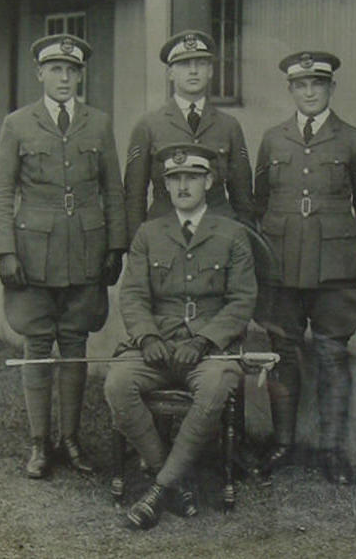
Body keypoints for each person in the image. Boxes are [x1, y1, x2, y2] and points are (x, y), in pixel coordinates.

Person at [0, 34, 127, 479]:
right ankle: (38, 443)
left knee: (75, 345)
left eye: (72, 71)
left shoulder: (99, 123)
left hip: (86, 251)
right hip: (32, 254)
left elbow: (113, 189)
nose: (64, 78)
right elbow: (1, 192)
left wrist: (115, 245)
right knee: (36, 345)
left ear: (80, 75)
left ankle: (70, 439)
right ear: (41, 74)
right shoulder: (17, 124)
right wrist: (5, 250)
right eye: (56, 70)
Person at [104, 143, 257, 529]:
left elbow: (241, 300)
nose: (183, 186)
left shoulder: (233, 234)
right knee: (118, 383)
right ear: (166, 186)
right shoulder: (148, 234)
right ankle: (176, 480)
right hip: (158, 348)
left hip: (207, 353)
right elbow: (134, 295)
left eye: (192, 177)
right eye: (174, 180)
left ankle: (158, 490)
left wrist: (204, 341)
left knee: (216, 385)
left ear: (209, 180)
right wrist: (147, 338)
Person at [254, 51, 356, 484]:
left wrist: (342, 247)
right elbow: (259, 201)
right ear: (290, 90)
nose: (309, 92)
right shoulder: (274, 139)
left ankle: (333, 452)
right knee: (283, 353)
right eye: (301, 85)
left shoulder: (352, 139)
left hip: (336, 270)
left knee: (332, 354)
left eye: (318, 84)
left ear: (331, 88)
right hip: (282, 265)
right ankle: (284, 444)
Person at [124, 29, 254, 242]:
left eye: (201, 64)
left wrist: (245, 241)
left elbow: (243, 197)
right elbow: (134, 197)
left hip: (218, 235)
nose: (193, 71)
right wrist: (136, 245)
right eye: (185, 65)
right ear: (170, 73)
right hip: (163, 236)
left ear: (211, 71)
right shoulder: (148, 125)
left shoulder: (229, 126)